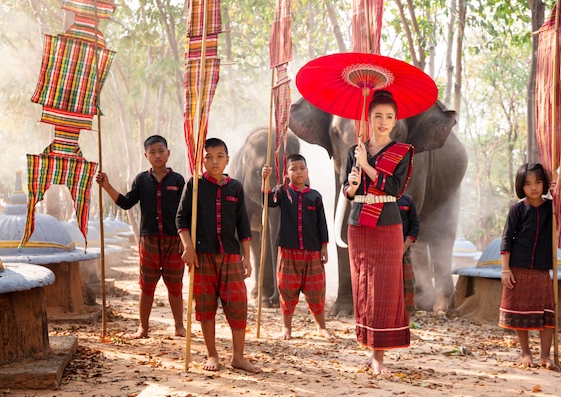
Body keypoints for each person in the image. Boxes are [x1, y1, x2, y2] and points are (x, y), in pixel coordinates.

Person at [344, 89, 415, 375]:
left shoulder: (403, 152)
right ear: (368, 118)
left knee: (383, 288)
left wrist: (366, 166)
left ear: (396, 120)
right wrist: (351, 183)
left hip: (386, 222)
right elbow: (347, 192)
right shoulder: (355, 150)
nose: (383, 121)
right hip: (358, 222)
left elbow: (394, 188)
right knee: (362, 286)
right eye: (377, 116)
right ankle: (368, 343)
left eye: (388, 116)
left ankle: (379, 356)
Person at [176, 137, 261, 374]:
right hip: (202, 256)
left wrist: (247, 257)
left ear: (227, 159)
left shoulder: (236, 187)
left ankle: (238, 357)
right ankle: (212, 354)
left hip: (232, 256)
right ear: (201, 160)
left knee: (237, 305)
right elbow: (181, 218)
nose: (214, 162)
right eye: (209, 157)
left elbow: (243, 225)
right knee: (204, 305)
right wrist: (188, 247)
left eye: (219, 157)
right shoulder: (195, 184)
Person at [96, 134, 186, 339]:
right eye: (152, 152)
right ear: (146, 156)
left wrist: (185, 240)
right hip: (149, 240)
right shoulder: (142, 180)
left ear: (168, 153)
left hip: (175, 241)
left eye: (161, 151)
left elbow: (185, 212)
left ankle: (179, 326)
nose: (157, 155)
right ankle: (143, 328)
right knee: (147, 286)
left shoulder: (178, 180)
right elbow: (127, 202)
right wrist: (106, 186)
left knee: (175, 285)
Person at [499, 162, 561, 371]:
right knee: (521, 314)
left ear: (545, 184)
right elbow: (506, 239)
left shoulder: (551, 208)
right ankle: (526, 353)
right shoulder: (517, 210)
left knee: (547, 314)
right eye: (528, 183)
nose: (534, 187)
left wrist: (558, 198)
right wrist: (505, 269)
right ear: (521, 186)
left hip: (541, 270)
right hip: (518, 269)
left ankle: (545, 356)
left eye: (538, 182)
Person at [261, 154, 333, 340]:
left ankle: (321, 327)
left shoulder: (315, 196)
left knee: (316, 290)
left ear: (307, 171)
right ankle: (286, 328)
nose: (298, 172)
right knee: (286, 289)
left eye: (302, 168)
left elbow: (322, 224)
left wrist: (324, 247)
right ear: (286, 173)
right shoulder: (282, 192)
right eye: (294, 169)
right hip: (288, 250)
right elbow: (268, 202)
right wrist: (265, 180)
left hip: (313, 251)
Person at [397, 194, 420, 316]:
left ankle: (405, 326)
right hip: (383, 253)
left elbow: (415, 227)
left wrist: (403, 248)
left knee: (409, 288)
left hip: (404, 252)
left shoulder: (407, 201)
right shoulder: (379, 200)